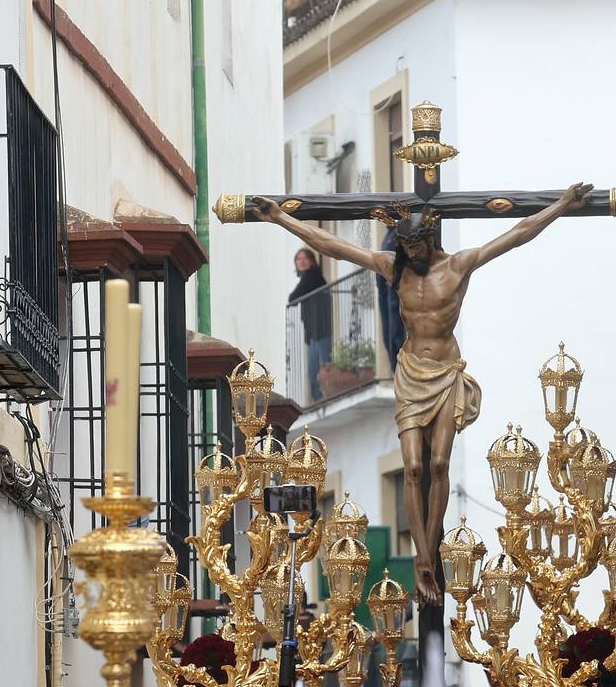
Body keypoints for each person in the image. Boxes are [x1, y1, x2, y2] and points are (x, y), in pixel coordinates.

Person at [253, 184, 592, 603]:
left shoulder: (459, 266)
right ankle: (422, 559)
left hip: (447, 372)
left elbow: (517, 233)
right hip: (411, 372)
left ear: (430, 240)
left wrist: (561, 205)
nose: (411, 254)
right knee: (412, 469)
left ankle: (430, 556)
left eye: (417, 246)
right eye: (405, 246)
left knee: (439, 462)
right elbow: (333, 246)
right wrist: (280, 218)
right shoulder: (392, 267)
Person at [289, 248, 332, 402]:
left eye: (305, 258)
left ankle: (322, 399)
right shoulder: (310, 277)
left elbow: (293, 298)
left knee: (321, 367)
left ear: (312, 261)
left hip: (320, 329)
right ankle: (319, 399)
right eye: (298, 259)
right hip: (315, 330)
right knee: (315, 369)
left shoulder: (311, 276)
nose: (301, 261)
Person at [375, 227, 408, 371]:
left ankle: (401, 369)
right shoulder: (389, 233)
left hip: (394, 289)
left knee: (396, 333)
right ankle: (396, 369)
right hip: (385, 290)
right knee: (388, 335)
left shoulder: (402, 231)